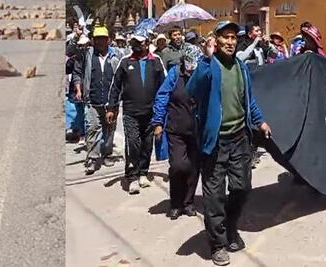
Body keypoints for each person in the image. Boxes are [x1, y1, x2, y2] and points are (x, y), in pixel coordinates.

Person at [186, 21, 272, 266]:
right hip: (214, 143)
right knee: (214, 196)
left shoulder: (241, 68)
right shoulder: (208, 66)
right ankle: (218, 244)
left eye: (234, 37)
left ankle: (230, 226)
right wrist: (205, 58)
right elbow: (191, 90)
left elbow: (248, 100)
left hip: (239, 139)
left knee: (242, 187)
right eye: (225, 37)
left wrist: (260, 121)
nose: (230, 42)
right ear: (216, 39)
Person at [107, 29, 167, 194]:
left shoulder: (156, 62)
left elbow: (165, 86)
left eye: (139, 42)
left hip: (151, 112)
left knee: (148, 145)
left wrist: (164, 110)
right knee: (133, 143)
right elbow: (115, 86)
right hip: (130, 112)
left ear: (146, 43)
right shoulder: (125, 62)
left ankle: (143, 173)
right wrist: (111, 107)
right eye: (134, 42)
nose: (136, 45)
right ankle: (132, 176)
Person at [152, 52, 200, 219]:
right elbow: (162, 96)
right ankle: (176, 203)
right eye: (188, 70)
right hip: (176, 130)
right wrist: (158, 122)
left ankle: (188, 203)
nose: (190, 74)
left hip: (197, 131)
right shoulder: (174, 73)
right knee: (179, 166)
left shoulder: (201, 72)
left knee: (194, 168)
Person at [73, 27, 121, 175]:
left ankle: (107, 154)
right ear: (93, 40)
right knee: (92, 130)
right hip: (92, 101)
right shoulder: (86, 55)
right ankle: (92, 159)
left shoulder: (116, 55)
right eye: (97, 38)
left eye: (102, 38)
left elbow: (121, 77)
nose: (100, 41)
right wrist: (79, 89)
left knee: (109, 130)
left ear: (108, 40)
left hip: (111, 102)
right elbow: (77, 72)